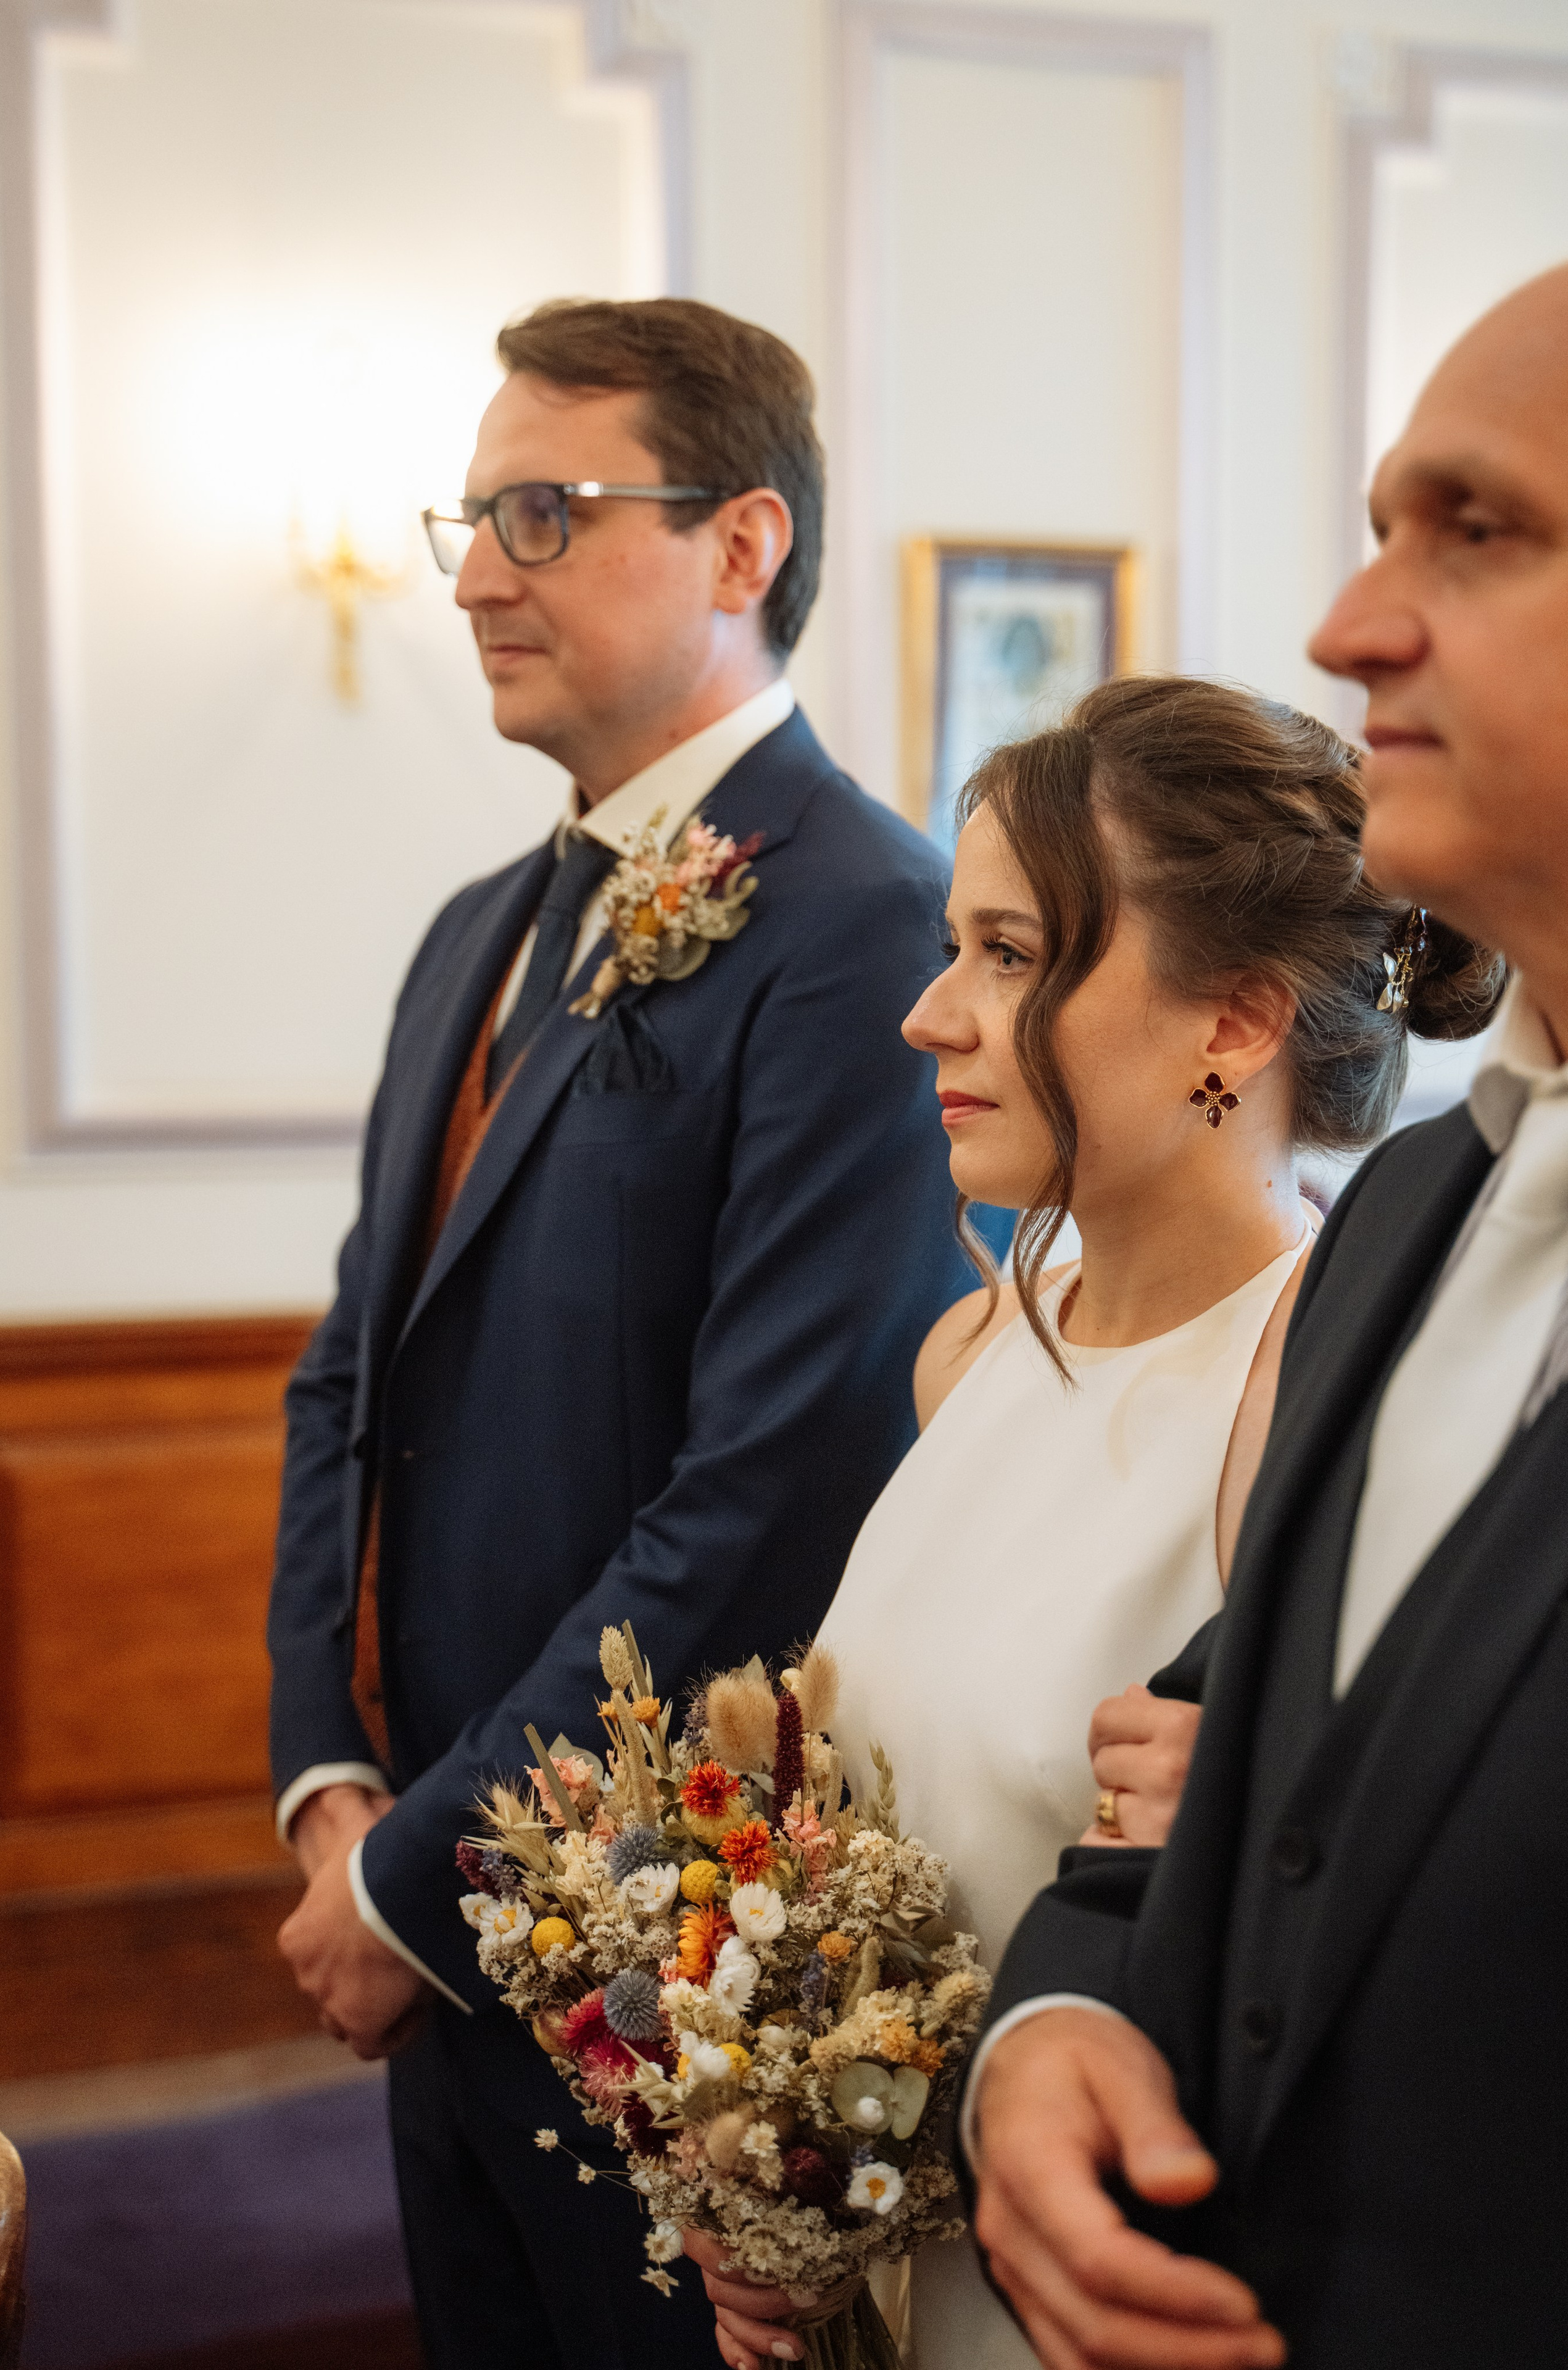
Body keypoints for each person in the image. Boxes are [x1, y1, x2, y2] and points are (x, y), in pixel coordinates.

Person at [265, 295, 969, 2370]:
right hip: (435, 1886)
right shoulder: (473, 937)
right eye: (474, 520)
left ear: (743, 545)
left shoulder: (866, 927)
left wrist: (416, 1878)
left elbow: (774, 1491)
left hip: (673, 1954)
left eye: (547, 515)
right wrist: (327, 1773)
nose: (480, 576)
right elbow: (351, 1377)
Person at [686, 672, 1499, 2370]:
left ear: (1236, 1023)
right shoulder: (967, 1353)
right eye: (955, 947)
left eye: (1012, 954)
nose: (932, 1015)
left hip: (1093, 2280)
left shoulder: (1308, 1406)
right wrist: (760, 2171)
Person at [966, 261, 1568, 2370]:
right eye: (1385, 525)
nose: (1349, 624)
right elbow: (1244, 1782)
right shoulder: (1414, 1212)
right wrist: (1050, 2021)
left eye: (1478, 531)